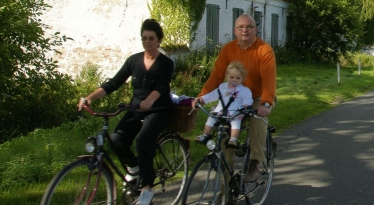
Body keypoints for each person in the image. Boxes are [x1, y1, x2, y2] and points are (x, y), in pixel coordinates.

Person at [78, 19, 174, 205]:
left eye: (151, 38)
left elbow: (161, 87)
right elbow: (113, 83)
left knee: (143, 141)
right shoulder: (133, 60)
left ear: (159, 40)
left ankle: (147, 188)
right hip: (136, 109)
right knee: (116, 140)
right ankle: (135, 168)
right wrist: (89, 98)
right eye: (144, 38)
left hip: (158, 109)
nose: (147, 41)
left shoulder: (166, 63)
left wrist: (150, 100)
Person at [193, 14, 276, 183]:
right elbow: (216, 76)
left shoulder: (264, 50)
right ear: (235, 30)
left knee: (257, 119)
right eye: (240, 27)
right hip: (234, 98)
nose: (245, 30)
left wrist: (266, 103)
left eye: (249, 27)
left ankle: (254, 163)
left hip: (258, 96)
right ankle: (225, 184)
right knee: (224, 129)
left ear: (256, 29)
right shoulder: (228, 49)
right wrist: (202, 96)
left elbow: (269, 80)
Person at [194, 61, 253, 147]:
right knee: (211, 117)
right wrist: (202, 99)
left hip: (235, 112)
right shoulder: (222, 87)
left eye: (238, 78)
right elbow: (212, 95)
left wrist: (246, 105)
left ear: (243, 79)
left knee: (236, 122)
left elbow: (248, 99)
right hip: (220, 112)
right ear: (226, 77)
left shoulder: (244, 90)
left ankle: (233, 139)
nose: (234, 80)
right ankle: (205, 135)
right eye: (232, 77)